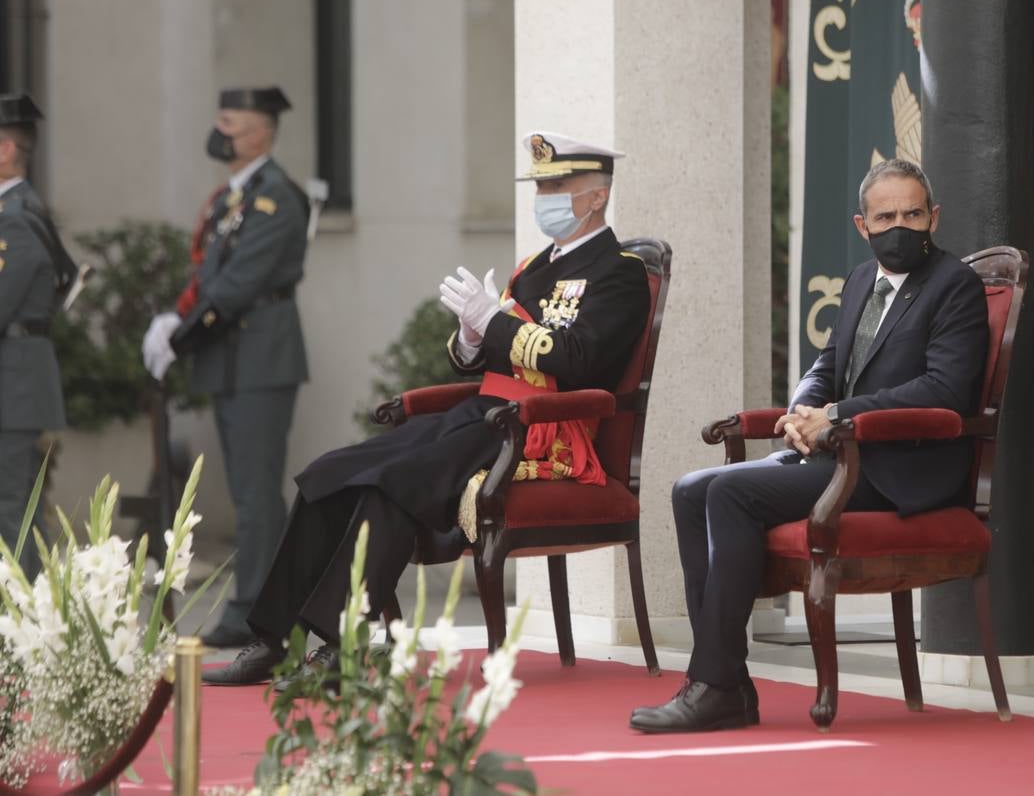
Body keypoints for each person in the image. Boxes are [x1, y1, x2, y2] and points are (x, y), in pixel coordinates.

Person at [202, 131, 650, 687]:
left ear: (597, 196)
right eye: (542, 186)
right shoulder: (535, 267)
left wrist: (496, 322)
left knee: (392, 483)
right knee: (331, 473)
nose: (546, 197)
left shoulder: (620, 271)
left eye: (557, 185)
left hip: (541, 429)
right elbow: (483, 356)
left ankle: (347, 645)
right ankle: (273, 639)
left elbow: (578, 360)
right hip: (487, 410)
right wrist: (469, 335)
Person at [630, 158, 989, 733]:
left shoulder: (954, 287)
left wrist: (837, 416)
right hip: (841, 455)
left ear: (935, 217)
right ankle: (726, 682)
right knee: (690, 489)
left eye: (913, 214)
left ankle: (715, 685)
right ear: (862, 225)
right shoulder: (857, 284)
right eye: (886, 216)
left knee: (731, 494)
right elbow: (827, 365)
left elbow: (944, 389)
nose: (901, 226)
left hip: (901, 468)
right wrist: (805, 408)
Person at [141, 87, 310, 648]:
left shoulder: (276, 197)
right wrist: (174, 317)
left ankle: (253, 609)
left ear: (260, 132)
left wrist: (183, 337)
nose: (220, 133)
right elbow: (208, 276)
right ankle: (275, 599)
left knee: (257, 490)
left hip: (261, 354)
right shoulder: (228, 199)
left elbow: (241, 284)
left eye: (230, 123)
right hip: (231, 357)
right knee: (248, 489)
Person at [0, 94, 76, 580]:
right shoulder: (21, 210)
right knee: (16, 507)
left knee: (12, 510)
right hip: (15, 380)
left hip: (14, 385)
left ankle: (20, 627)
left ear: (5, 150)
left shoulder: (14, 217)